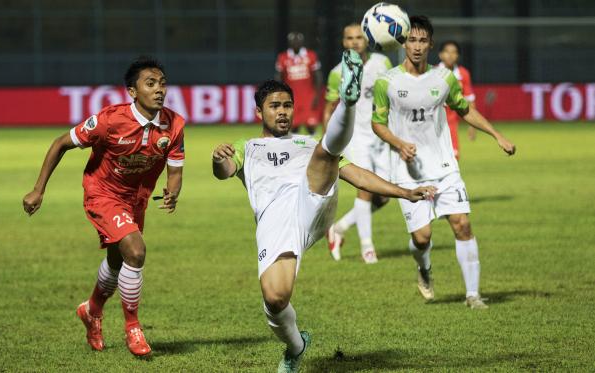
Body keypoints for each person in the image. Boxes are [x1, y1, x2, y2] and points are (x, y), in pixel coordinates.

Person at [212, 51, 435, 372]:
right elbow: (224, 170)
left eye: (287, 105)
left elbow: (355, 172)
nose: (283, 112)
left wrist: (403, 192)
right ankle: (296, 346)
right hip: (275, 220)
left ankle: (348, 98)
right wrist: (218, 158)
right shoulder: (248, 146)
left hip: (312, 200)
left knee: (326, 153)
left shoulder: (307, 143)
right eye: (275, 106)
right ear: (258, 111)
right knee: (276, 298)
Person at [22, 56, 185, 356]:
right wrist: (38, 190)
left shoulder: (173, 125)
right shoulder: (109, 121)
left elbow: (175, 170)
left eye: (162, 83)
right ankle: (132, 328)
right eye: (150, 83)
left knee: (118, 260)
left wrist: (173, 192)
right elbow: (61, 143)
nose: (159, 89)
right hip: (103, 193)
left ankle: (92, 309)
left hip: (135, 199)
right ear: (133, 91)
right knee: (135, 251)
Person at [371, 16, 516, 309]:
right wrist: (398, 144)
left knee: (462, 225)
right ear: (403, 43)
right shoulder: (387, 82)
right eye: (412, 40)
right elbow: (378, 123)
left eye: (423, 41)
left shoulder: (444, 78)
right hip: (410, 173)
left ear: (431, 45)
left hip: (445, 168)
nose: (417, 46)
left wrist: (496, 135)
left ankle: (473, 294)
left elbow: (465, 110)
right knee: (422, 239)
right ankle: (424, 270)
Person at [322, 23, 393, 263]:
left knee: (384, 196)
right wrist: (327, 145)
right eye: (349, 38)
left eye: (359, 38)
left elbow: (392, 94)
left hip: (380, 135)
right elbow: (329, 109)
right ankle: (367, 248)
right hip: (355, 137)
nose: (354, 42)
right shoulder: (336, 72)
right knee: (365, 188)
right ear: (344, 42)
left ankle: (339, 227)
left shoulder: (382, 63)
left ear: (368, 40)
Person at [275, 31, 323, 136]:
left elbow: (318, 76)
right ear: (289, 43)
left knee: (311, 126)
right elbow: (278, 77)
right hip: (291, 97)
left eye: (298, 41)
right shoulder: (283, 57)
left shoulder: (311, 56)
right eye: (293, 41)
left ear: (302, 42)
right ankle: (294, 149)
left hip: (309, 97)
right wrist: (280, 94)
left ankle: (313, 148)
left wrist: (317, 95)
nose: (296, 43)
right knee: (293, 125)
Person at [438, 40, 477, 159]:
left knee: (454, 159)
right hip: (433, 124)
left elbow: (469, 100)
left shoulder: (463, 74)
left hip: (451, 125)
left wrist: (472, 125)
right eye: (447, 52)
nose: (450, 55)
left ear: (458, 56)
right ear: (440, 55)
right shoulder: (432, 72)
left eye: (454, 52)